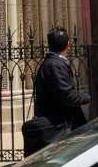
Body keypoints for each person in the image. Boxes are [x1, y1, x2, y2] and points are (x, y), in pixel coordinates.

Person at [25, 28, 90, 156]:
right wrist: (86, 97)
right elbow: (66, 95)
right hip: (58, 126)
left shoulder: (52, 63)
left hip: (60, 124)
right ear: (68, 45)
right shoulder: (55, 65)